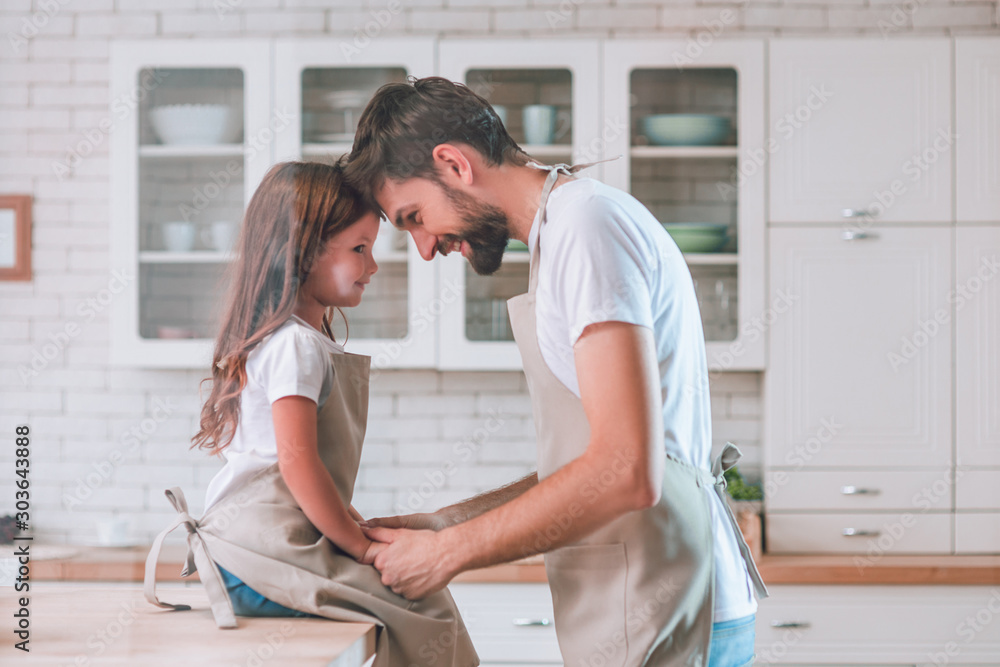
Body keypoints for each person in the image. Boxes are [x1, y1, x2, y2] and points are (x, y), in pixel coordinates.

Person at [345, 77, 768, 667]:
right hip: (647, 600)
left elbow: (627, 471)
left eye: (414, 216)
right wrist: (445, 524)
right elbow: (587, 464)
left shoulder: (585, 227)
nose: (423, 246)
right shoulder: (563, 231)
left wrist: (450, 554)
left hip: (677, 607)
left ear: (453, 164)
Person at [143, 160, 479, 667]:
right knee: (423, 601)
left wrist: (349, 525)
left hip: (253, 552)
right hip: (262, 556)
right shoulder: (296, 346)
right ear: (301, 253)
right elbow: (299, 467)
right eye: (359, 249)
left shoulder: (291, 341)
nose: (373, 266)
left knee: (419, 596)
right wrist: (361, 549)